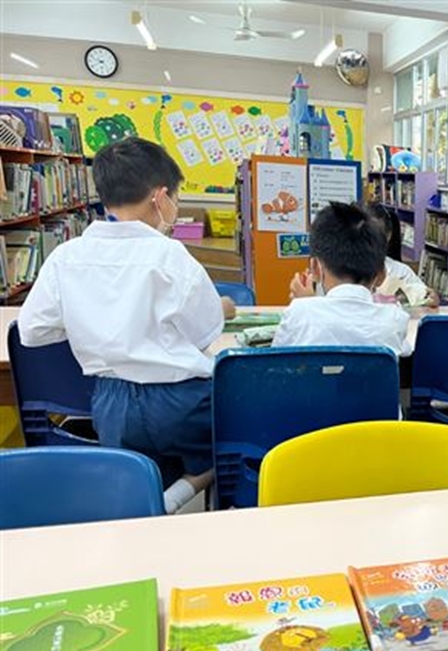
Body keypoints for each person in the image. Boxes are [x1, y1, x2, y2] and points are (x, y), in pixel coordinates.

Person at [18, 137, 234, 512]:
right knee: (232, 439)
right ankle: (174, 499)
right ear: (160, 197)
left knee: (137, 471)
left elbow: (32, 331)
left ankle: (146, 506)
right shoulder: (170, 255)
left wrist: (87, 322)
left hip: (111, 405)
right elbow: (204, 333)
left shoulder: (67, 256)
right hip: (180, 402)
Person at [273, 201, 410, 355]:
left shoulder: (299, 312)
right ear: (380, 274)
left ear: (315, 268)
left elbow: (277, 360)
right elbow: (405, 351)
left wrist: (306, 304)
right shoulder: (395, 319)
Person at [366, 203, 439, 307]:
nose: (369, 243)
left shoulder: (401, 272)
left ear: (388, 235)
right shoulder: (345, 274)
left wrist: (430, 298)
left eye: (376, 236)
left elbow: (426, 297)